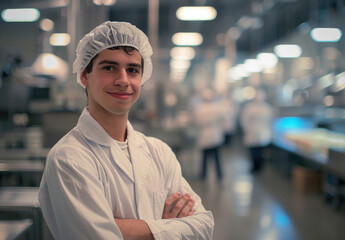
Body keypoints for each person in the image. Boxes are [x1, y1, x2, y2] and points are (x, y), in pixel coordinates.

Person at [39, 21, 214, 240]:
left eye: (132, 70)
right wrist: (166, 226)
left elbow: (204, 227)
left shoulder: (158, 152)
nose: (123, 80)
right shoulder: (69, 158)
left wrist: (124, 228)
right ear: (85, 75)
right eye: (109, 67)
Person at [193, 88, 224, 180]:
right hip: (215, 134)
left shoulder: (199, 108)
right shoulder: (217, 107)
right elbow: (222, 120)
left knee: (205, 158)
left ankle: (203, 175)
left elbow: (197, 122)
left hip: (204, 135)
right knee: (217, 157)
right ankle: (219, 175)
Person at [240, 89, 273, 173]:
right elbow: (244, 120)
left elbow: (270, 121)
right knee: (253, 151)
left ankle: (259, 167)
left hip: (263, 134)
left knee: (260, 152)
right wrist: (247, 129)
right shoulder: (249, 108)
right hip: (252, 133)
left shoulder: (267, 108)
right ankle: (254, 166)